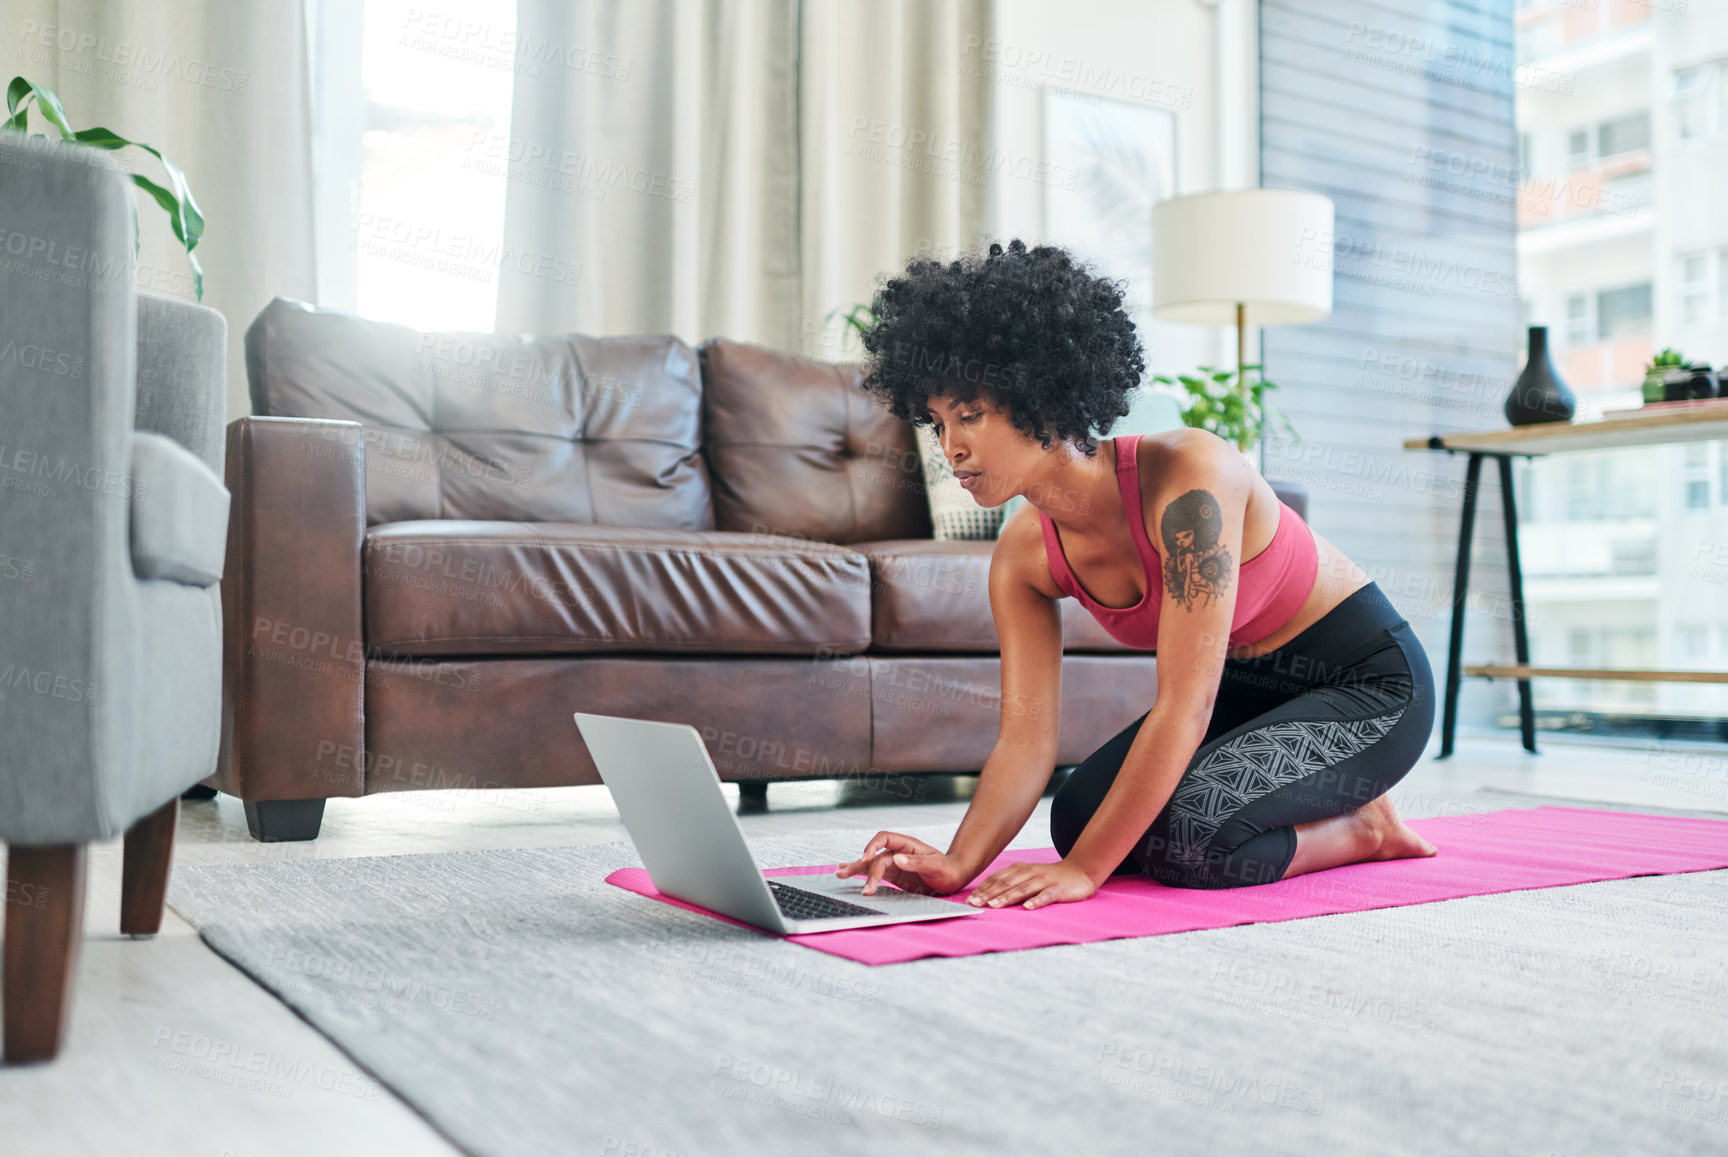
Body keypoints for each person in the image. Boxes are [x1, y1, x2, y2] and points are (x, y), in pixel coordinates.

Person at [834, 239, 1438, 911]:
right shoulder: (1023, 557)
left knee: (1192, 839)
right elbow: (1026, 738)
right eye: (938, 422)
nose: (952, 447)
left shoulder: (1190, 484)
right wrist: (958, 862)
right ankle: (1312, 804)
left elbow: (1186, 704)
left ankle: (1364, 825)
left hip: (1367, 686)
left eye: (969, 414)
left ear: (1044, 394)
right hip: (1250, 692)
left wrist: (1087, 873)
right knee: (1077, 820)